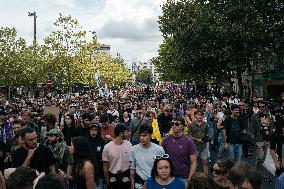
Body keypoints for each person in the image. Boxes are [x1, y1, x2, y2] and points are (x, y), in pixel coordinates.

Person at [161, 117, 197, 184]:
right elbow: (161, 159)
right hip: (169, 177)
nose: (174, 126)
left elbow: (194, 162)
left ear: (182, 126)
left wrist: (190, 178)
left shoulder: (189, 141)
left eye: (177, 124)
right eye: (172, 124)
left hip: (184, 177)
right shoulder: (165, 140)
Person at [129, 124, 165, 189]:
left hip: (155, 184)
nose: (142, 138)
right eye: (140, 136)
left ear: (150, 135)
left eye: (144, 135)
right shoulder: (134, 149)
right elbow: (132, 169)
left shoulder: (159, 150)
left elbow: (163, 168)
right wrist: (132, 186)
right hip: (139, 184)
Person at [102, 123, 132, 189]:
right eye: (127, 132)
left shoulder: (129, 145)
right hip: (113, 181)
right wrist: (107, 183)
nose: (129, 133)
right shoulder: (107, 147)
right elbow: (105, 168)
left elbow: (131, 165)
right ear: (121, 133)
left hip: (126, 181)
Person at [250, 101, 275, 167]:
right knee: (260, 158)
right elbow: (252, 128)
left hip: (268, 139)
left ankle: (259, 171)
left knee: (264, 158)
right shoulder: (255, 116)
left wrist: (273, 137)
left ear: (265, 107)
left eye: (263, 106)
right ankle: (255, 171)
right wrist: (252, 140)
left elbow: (272, 127)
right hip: (259, 139)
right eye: (259, 107)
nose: (261, 108)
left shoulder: (269, 116)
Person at [189, 110, 209, 176]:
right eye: (198, 114)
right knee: (194, 163)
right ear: (195, 116)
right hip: (194, 147)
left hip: (204, 146)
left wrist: (206, 138)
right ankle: (192, 178)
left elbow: (206, 133)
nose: (200, 116)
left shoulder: (205, 124)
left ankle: (206, 177)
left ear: (203, 116)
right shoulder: (192, 125)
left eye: (201, 115)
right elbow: (189, 135)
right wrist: (197, 139)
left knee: (205, 162)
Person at [87, 123, 106, 189]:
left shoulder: (102, 142)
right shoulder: (85, 141)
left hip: (99, 174)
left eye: (95, 130)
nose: (93, 132)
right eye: (91, 130)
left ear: (98, 131)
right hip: (87, 174)